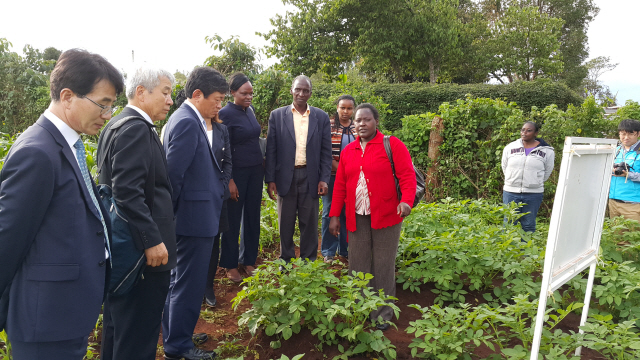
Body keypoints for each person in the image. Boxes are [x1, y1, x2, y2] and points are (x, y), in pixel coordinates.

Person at [0, 49, 123, 359]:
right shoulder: (38, 153)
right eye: (102, 104)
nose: (107, 115)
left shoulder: (67, 145)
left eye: (112, 106)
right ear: (67, 96)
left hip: (65, 313)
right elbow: (7, 239)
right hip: (46, 322)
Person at [97, 66, 178, 360]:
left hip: (123, 249)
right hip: (141, 256)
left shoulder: (116, 124)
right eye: (166, 93)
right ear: (141, 92)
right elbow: (127, 191)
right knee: (138, 336)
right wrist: (151, 240)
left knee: (119, 329)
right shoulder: (135, 129)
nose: (170, 100)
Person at [162, 67, 230, 360]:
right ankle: (178, 347)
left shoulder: (189, 118)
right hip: (192, 219)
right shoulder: (189, 122)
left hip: (193, 216)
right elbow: (173, 175)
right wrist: (175, 217)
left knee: (180, 281)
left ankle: (178, 333)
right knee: (188, 285)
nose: (220, 105)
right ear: (197, 94)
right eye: (217, 99)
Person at [329, 103, 416, 331]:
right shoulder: (349, 151)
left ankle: (382, 314)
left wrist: (406, 200)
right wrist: (334, 215)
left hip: (387, 216)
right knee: (357, 264)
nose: (361, 124)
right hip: (357, 217)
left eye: (366, 119)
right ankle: (360, 309)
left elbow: (407, 175)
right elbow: (339, 186)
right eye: (358, 120)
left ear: (376, 121)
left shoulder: (392, 144)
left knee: (383, 265)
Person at [265, 75, 332, 263]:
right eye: (298, 89)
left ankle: (308, 263)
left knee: (309, 224)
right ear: (291, 90)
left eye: (306, 90)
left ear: (310, 93)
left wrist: (324, 179)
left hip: (310, 177)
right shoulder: (277, 116)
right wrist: (270, 179)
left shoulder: (320, 117)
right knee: (284, 223)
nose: (301, 94)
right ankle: (285, 262)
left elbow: (326, 152)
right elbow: (271, 150)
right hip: (285, 177)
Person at [218, 72, 264, 282]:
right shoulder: (225, 114)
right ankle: (229, 263)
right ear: (233, 92)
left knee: (253, 216)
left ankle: (248, 260)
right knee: (233, 219)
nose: (249, 97)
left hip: (255, 172)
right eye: (244, 93)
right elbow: (223, 149)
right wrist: (229, 180)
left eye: (251, 94)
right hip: (237, 174)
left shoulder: (250, 111)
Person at [501, 121, 555, 232]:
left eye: (529, 130)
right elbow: (504, 166)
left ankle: (526, 248)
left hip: (533, 194)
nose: (524, 133)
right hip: (511, 192)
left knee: (528, 225)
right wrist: (512, 180)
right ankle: (507, 248)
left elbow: (547, 171)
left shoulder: (547, 151)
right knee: (508, 223)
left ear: (536, 133)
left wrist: (534, 182)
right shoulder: (510, 148)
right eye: (522, 130)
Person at [321, 95, 357, 263]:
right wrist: (341, 169)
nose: (345, 111)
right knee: (330, 211)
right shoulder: (328, 126)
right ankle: (328, 251)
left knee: (347, 212)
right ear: (337, 108)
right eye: (343, 108)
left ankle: (345, 250)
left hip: (353, 177)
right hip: (333, 176)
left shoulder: (357, 127)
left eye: (349, 108)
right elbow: (325, 153)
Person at [609, 119, 640, 222]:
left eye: (631, 134)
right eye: (623, 134)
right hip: (613, 202)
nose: (626, 138)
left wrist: (628, 174)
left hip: (633, 205)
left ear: (638, 134)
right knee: (616, 237)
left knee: (633, 237)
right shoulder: (616, 151)